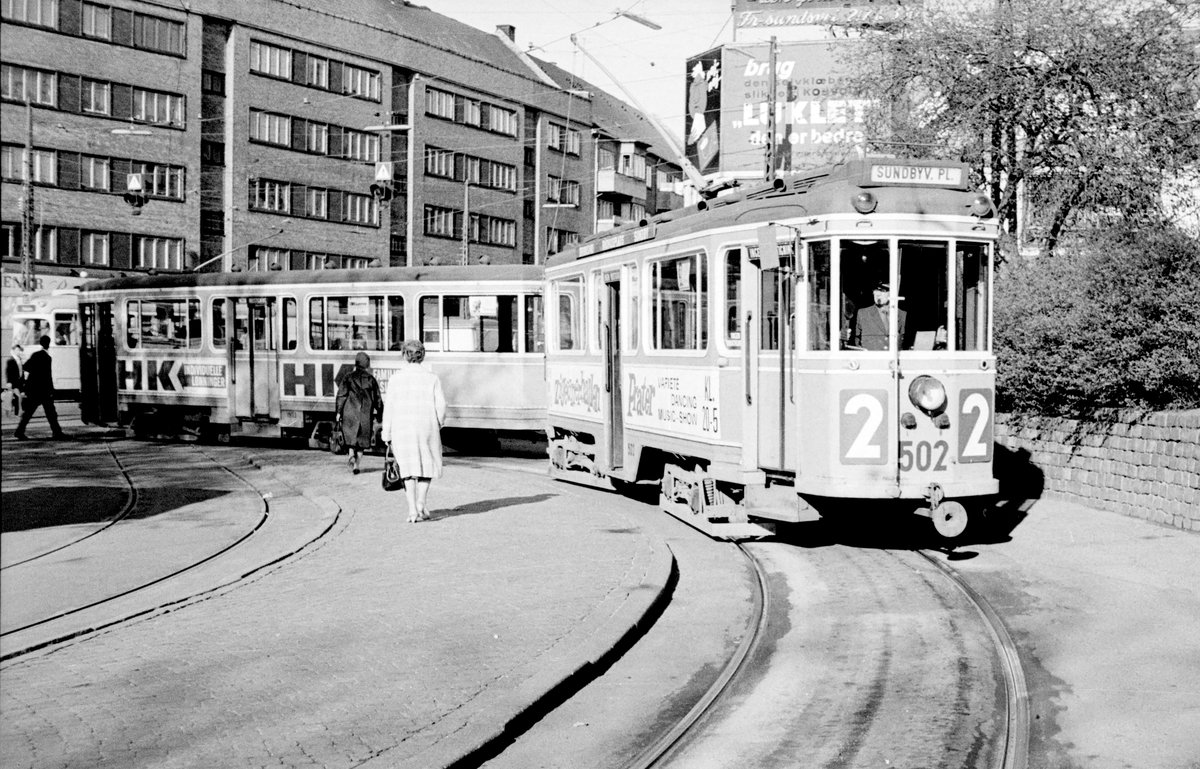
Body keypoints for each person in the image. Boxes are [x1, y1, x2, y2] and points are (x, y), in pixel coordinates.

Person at [380, 339, 446, 523]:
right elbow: (441, 405)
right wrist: (438, 422)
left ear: (404, 355)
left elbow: (390, 408)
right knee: (427, 466)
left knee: (407, 469)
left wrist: (387, 433)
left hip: (402, 428)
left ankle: (411, 511)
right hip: (426, 426)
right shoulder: (432, 378)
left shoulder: (395, 379)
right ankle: (421, 502)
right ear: (422, 356)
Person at [335, 351, 382, 474]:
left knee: (351, 439)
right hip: (365, 414)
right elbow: (378, 399)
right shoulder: (371, 379)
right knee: (362, 442)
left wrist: (339, 411)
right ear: (367, 364)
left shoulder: (348, 377)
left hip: (349, 412)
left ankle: (351, 454)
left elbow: (341, 395)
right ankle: (356, 465)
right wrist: (381, 414)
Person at [14, 335, 65, 440]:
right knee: (51, 413)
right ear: (48, 343)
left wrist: (34, 373)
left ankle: (19, 431)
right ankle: (57, 432)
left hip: (33, 388)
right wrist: (52, 389)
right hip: (44, 390)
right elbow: (48, 376)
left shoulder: (35, 355)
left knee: (29, 412)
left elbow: (26, 367)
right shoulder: (47, 358)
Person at [852, 281, 907, 351]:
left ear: (892, 293)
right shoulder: (863, 313)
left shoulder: (902, 314)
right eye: (875, 290)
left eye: (882, 290)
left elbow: (905, 344)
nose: (877, 294)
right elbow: (856, 342)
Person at [5, 344, 23, 416]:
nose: (18, 351)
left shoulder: (19, 359)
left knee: (16, 397)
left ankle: (14, 412)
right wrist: (9, 382)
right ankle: (18, 412)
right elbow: (8, 372)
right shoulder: (10, 360)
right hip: (13, 382)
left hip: (19, 381)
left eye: (19, 350)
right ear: (13, 351)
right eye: (17, 350)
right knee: (18, 396)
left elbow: (21, 370)